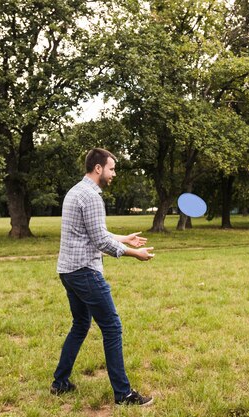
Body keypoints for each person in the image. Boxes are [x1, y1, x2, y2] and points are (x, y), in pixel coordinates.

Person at [52, 148, 155, 406]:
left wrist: (124, 237)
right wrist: (134, 253)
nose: (113, 174)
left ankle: (60, 382)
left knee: (80, 324)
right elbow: (99, 241)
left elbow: (94, 232)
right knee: (112, 327)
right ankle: (123, 394)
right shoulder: (92, 197)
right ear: (98, 168)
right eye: (111, 168)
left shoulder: (76, 191)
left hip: (68, 271)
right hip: (85, 271)